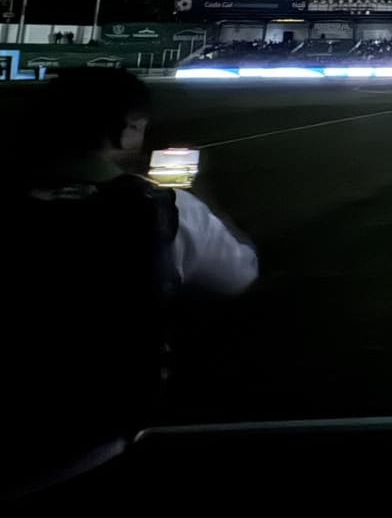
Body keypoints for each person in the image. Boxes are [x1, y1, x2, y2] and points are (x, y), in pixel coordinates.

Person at [1, 68, 258, 499]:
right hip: (87, 444)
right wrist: (194, 195)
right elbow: (237, 275)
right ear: (124, 131)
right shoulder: (159, 207)